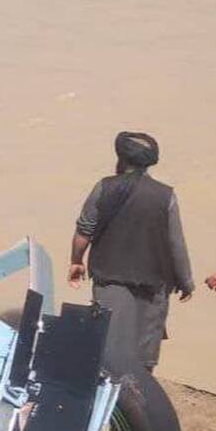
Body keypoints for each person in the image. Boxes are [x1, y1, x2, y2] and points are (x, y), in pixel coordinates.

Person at [68, 131, 194, 372]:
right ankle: (138, 404)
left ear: (120, 158)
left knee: (108, 351)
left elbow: (85, 229)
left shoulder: (104, 187)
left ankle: (106, 403)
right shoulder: (165, 195)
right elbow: (175, 244)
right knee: (143, 358)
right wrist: (186, 281)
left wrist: (76, 261)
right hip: (154, 288)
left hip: (109, 281)